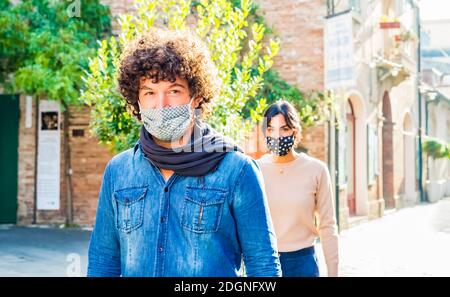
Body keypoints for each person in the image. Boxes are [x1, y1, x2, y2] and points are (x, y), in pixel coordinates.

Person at [87, 28, 281, 277]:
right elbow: (104, 260)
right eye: (149, 92)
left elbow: (263, 265)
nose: (161, 104)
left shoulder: (237, 170)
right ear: (137, 100)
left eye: (174, 91)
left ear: (196, 97)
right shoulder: (119, 170)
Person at [257, 100, 339, 277]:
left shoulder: (316, 170)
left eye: (284, 129)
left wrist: (333, 272)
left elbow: (328, 226)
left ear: (295, 131)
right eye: (271, 129)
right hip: (264, 264)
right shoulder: (255, 170)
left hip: (303, 264)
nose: (277, 136)